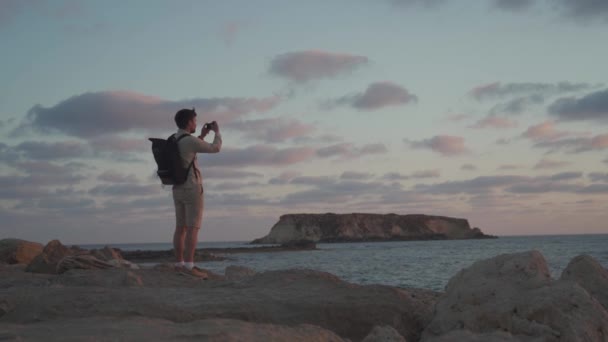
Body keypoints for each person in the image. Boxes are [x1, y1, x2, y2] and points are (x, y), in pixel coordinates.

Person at [171, 108, 222, 274]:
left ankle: (179, 263)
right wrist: (217, 132)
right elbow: (215, 148)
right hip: (192, 187)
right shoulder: (190, 141)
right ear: (188, 122)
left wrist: (202, 135)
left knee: (180, 227)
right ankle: (189, 265)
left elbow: (189, 151)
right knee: (193, 227)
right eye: (194, 120)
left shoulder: (174, 138)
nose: (196, 123)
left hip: (177, 187)